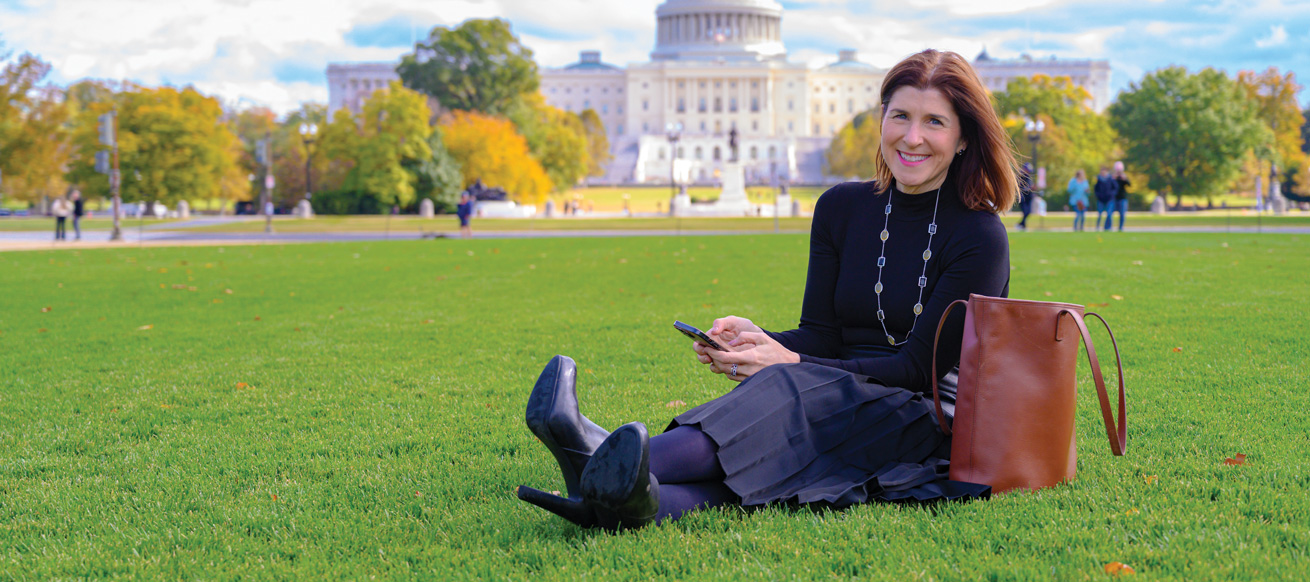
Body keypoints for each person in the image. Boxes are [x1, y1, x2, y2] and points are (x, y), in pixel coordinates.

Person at [516, 49, 1017, 530]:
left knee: (785, 384)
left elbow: (915, 371)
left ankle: (589, 452)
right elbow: (820, 334)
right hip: (834, 391)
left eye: (934, 122)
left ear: (964, 137)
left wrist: (787, 364)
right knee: (781, 405)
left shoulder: (978, 235)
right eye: (900, 116)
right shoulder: (841, 207)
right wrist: (760, 341)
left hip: (925, 413)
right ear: (881, 119)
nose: (911, 137)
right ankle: (637, 500)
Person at [1106, 161, 1130, 231]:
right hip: (1113, 198)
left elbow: (1129, 185)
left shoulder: (1123, 177)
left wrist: (1125, 179)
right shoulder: (1112, 177)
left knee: (1122, 214)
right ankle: (1108, 227)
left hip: (1122, 198)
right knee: (1109, 214)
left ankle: (1120, 227)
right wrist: (1113, 178)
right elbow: (1108, 185)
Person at [1016, 163, 1034, 230]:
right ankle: (1022, 225)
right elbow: (1020, 187)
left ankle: (1022, 225)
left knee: (1028, 212)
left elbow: (1029, 187)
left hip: (1028, 197)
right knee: (1025, 212)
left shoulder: (1029, 177)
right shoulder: (1020, 177)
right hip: (1023, 197)